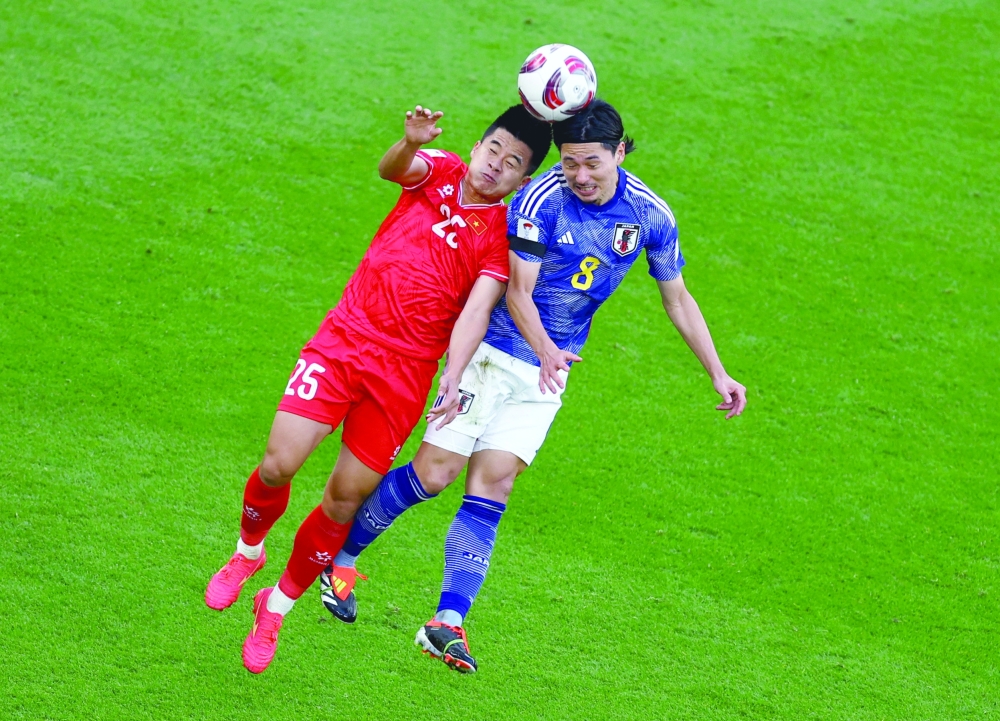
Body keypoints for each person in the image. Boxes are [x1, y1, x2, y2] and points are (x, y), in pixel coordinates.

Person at [319, 99, 747, 674]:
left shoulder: (651, 215)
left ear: (620, 152)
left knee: (494, 486)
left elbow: (677, 297)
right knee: (435, 474)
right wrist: (546, 352)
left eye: (592, 162)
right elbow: (515, 292)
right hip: (494, 355)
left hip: (548, 372)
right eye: (570, 163)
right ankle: (339, 561)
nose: (581, 176)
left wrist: (717, 371)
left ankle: (446, 622)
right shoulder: (539, 199)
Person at [203, 103, 552, 674]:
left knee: (344, 498)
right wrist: (410, 142)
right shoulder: (436, 168)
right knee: (277, 465)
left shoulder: (499, 240)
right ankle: (247, 556)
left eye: (512, 163)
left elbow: (475, 314)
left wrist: (451, 375)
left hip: (403, 376)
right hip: (343, 341)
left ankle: (277, 607)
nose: (496, 166)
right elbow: (392, 170)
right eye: (492, 150)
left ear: (523, 179)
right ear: (476, 148)